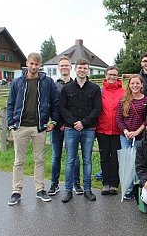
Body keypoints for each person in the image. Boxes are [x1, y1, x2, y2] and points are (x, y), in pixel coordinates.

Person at [7, 52, 59, 206]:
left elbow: (55, 103)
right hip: (20, 127)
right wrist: (11, 124)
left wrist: (53, 121)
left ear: (40, 65)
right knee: (19, 161)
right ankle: (16, 191)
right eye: (32, 63)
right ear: (27, 63)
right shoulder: (17, 82)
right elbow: (10, 104)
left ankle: (40, 190)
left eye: (37, 64)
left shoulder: (47, 82)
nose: (34, 67)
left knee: (39, 160)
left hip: (39, 128)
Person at [60, 58, 102, 203]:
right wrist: (73, 122)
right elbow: (62, 108)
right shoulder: (67, 88)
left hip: (88, 129)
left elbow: (97, 109)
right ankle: (68, 190)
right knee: (70, 160)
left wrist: (83, 123)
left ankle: (87, 190)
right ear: (75, 69)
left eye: (85, 68)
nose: (82, 70)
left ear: (88, 70)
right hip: (71, 129)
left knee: (87, 160)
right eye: (80, 68)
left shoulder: (95, 89)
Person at [48, 56, 82, 196]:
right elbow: (50, 105)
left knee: (74, 157)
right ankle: (54, 184)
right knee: (56, 156)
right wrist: (59, 123)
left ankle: (76, 183)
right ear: (58, 68)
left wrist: (70, 123)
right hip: (57, 127)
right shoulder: (53, 86)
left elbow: (79, 108)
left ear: (71, 67)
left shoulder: (76, 85)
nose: (64, 68)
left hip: (72, 127)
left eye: (66, 65)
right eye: (62, 66)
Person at [116, 74, 147, 200]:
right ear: (129, 85)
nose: (135, 85)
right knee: (125, 162)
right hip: (125, 136)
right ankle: (127, 188)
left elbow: (146, 119)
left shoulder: (146, 100)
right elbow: (119, 119)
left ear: (141, 85)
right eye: (132, 83)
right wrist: (125, 131)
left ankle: (136, 187)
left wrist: (137, 132)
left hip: (139, 136)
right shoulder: (124, 100)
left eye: (137, 83)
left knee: (136, 162)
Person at [96, 66, 124, 195]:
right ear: (106, 75)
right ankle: (105, 183)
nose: (112, 77)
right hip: (103, 129)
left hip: (118, 131)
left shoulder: (123, 92)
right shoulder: (100, 91)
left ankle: (114, 184)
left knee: (115, 158)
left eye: (115, 75)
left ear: (118, 76)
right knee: (104, 157)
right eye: (110, 74)